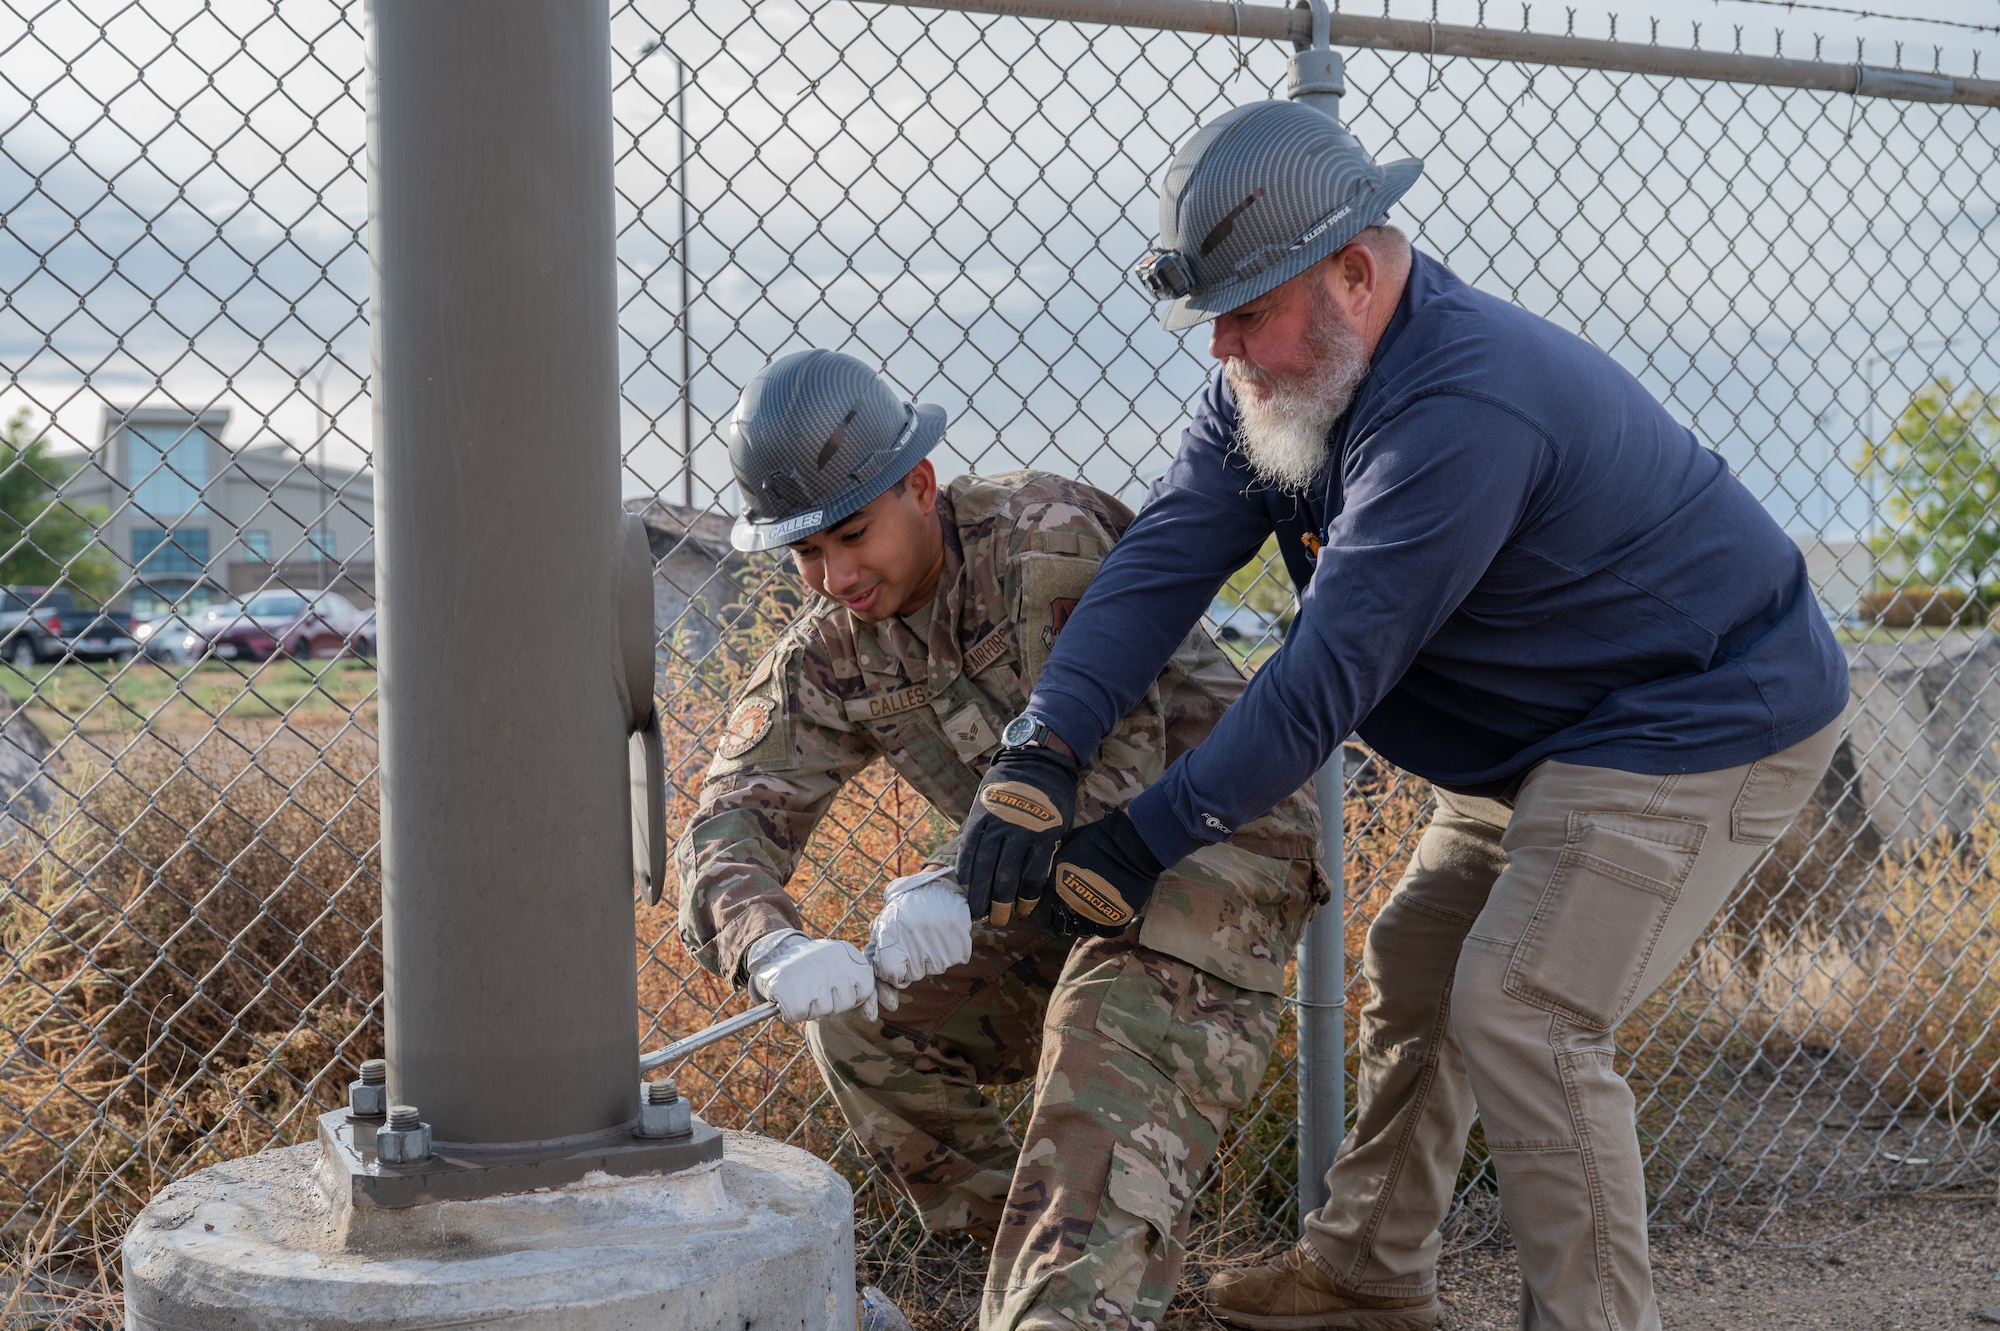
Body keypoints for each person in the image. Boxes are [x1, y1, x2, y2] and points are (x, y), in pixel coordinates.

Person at [956, 100, 1849, 1331]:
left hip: (1692, 718)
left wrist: (1139, 838)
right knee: (1421, 968)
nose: (1222, 344)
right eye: (1212, 314)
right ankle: (1365, 1272)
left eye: (1247, 309)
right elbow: (1166, 554)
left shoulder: (1457, 412)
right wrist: (1041, 746)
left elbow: (1323, 677)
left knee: (1521, 1007)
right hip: (1539, 737)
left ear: (1355, 273)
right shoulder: (1278, 378)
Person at [676, 348, 1324, 1331]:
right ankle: (1052, 1286)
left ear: (920, 484)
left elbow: (1115, 767)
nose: (832, 575)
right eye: (803, 553)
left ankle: (1070, 1291)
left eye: (850, 534)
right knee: (857, 1013)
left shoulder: (1040, 537)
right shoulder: (832, 645)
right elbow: (726, 820)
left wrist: (948, 882)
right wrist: (766, 940)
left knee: (1100, 1036)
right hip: (1041, 883)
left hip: (1211, 854)